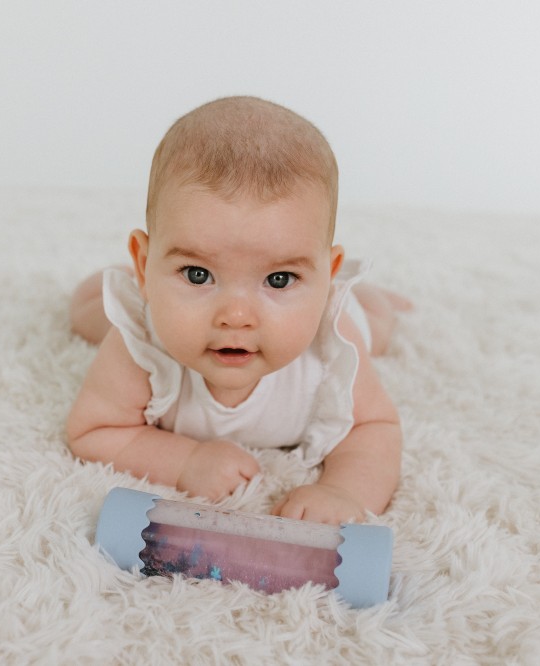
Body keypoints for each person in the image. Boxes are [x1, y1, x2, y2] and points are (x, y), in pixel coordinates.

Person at [66, 96, 409, 525]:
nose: (236, 316)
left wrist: (342, 492)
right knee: (85, 309)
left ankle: (375, 298)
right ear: (143, 264)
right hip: (153, 301)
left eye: (279, 279)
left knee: (376, 322)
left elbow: (373, 430)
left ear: (326, 279)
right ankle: (142, 278)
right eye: (196, 273)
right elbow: (92, 431)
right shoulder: (140, 347)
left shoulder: (333, 347)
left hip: (348, 315)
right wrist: (185, 461)